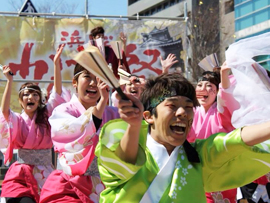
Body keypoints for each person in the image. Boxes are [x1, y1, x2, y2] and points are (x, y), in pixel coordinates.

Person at [95, 72, 270, 202]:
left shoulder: (197, 156)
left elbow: (234, 140)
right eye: (172, 105)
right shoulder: (129, 148)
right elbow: (122, 162)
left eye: (188, 107)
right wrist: (133, 126)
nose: (182, 113)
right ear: (148, 116)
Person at [39, 63, 119, 203]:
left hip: (106, 186)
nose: (94, 83)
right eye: (87, 77)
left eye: (98, 78)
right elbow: (73, 132)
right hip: (68, 185)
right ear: (75, 82)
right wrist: (101, 105)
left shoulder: (113, 113)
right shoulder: (63, 111)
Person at [0, 44, 67, 203]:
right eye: (26, 95)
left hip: (45, 172)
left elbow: (57, 92)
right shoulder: (18, 119)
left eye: (35, 94)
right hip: (21, 172)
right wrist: (9, 80)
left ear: (40, 99)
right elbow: (4, 111)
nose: (31, 97)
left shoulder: (46, 116)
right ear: (21, 102)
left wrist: (56, 64)